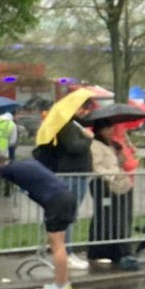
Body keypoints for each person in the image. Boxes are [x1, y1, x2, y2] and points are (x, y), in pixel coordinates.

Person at [0, 156, 78, 289]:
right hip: (65, 197)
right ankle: (61, 284)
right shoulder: (25, 164)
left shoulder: (10, 168)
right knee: (58, 243)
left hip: (56, 201)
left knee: (57, 245)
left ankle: (61, 287)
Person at [36, 97, 94, 268]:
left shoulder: (74, 124)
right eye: (82, 107)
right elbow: (74, 147)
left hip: (77, 174)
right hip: (72, 174)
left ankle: (67, 251)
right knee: (67, 216)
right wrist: (88, 138)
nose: (84, 111)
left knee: (70, 215)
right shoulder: (67, 126)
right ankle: (66, 253)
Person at [86, 120, 137, 269]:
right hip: (103, 184)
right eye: (108, 129)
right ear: (101, 130)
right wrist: (112, 175)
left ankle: (117, 250)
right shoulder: (95, 145)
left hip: (118, 185)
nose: (111, 131)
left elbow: (120, 163)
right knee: (104, 217)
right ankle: (98, 251)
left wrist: (120, 151)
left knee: (117, 218)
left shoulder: (110, 145)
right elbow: (96, 166)